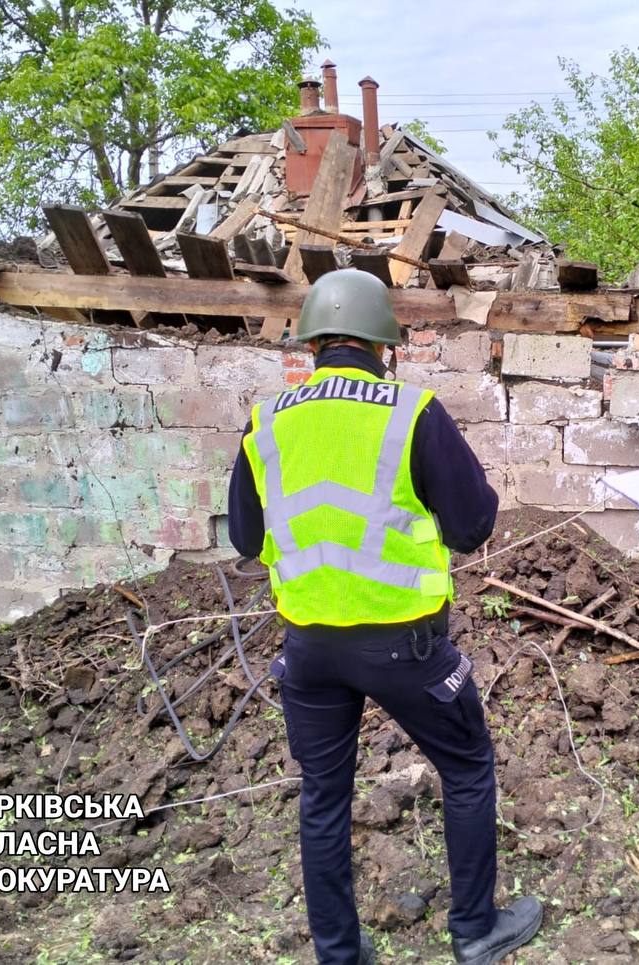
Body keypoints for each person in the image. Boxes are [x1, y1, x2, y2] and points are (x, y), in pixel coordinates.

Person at [227, 269, 543, 965]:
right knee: (466, 768)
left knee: (324, 797)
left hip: (308, 649)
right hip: (405, 646)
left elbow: (246, 540)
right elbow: (470, 526)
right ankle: (473, 930)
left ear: (311, 345)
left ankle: (339, 953)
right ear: (385, 346)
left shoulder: (266, 421)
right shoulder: (412, 411)